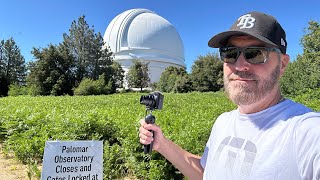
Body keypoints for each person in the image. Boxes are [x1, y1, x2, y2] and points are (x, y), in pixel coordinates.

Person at [139, 11, 320, 180]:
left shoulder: (307, 133)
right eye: (230, 53)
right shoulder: (223, 122)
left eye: (255, 54)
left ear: (282, 64)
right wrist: (161, 144)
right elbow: (205, 173)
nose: (240, 65)